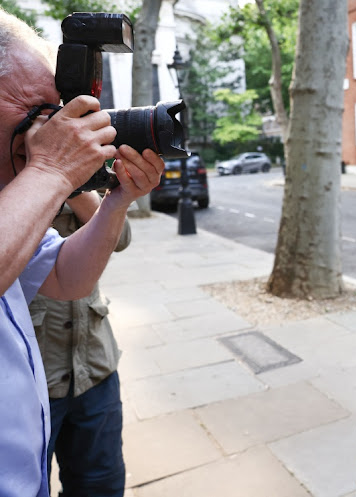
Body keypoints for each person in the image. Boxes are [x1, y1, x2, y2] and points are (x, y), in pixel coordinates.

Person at [0, 9, 164, 497]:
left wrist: (118, 196)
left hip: (88, 368)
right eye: (35, 111)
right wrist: (52, 169)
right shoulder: (38, 178)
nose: (50, 129)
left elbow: (69, 276)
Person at [29, 191, 130, 496]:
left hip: (94, 368)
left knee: (102, 486)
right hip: (30, 381)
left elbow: (121, 237)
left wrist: (77, 186)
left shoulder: (87, 164)